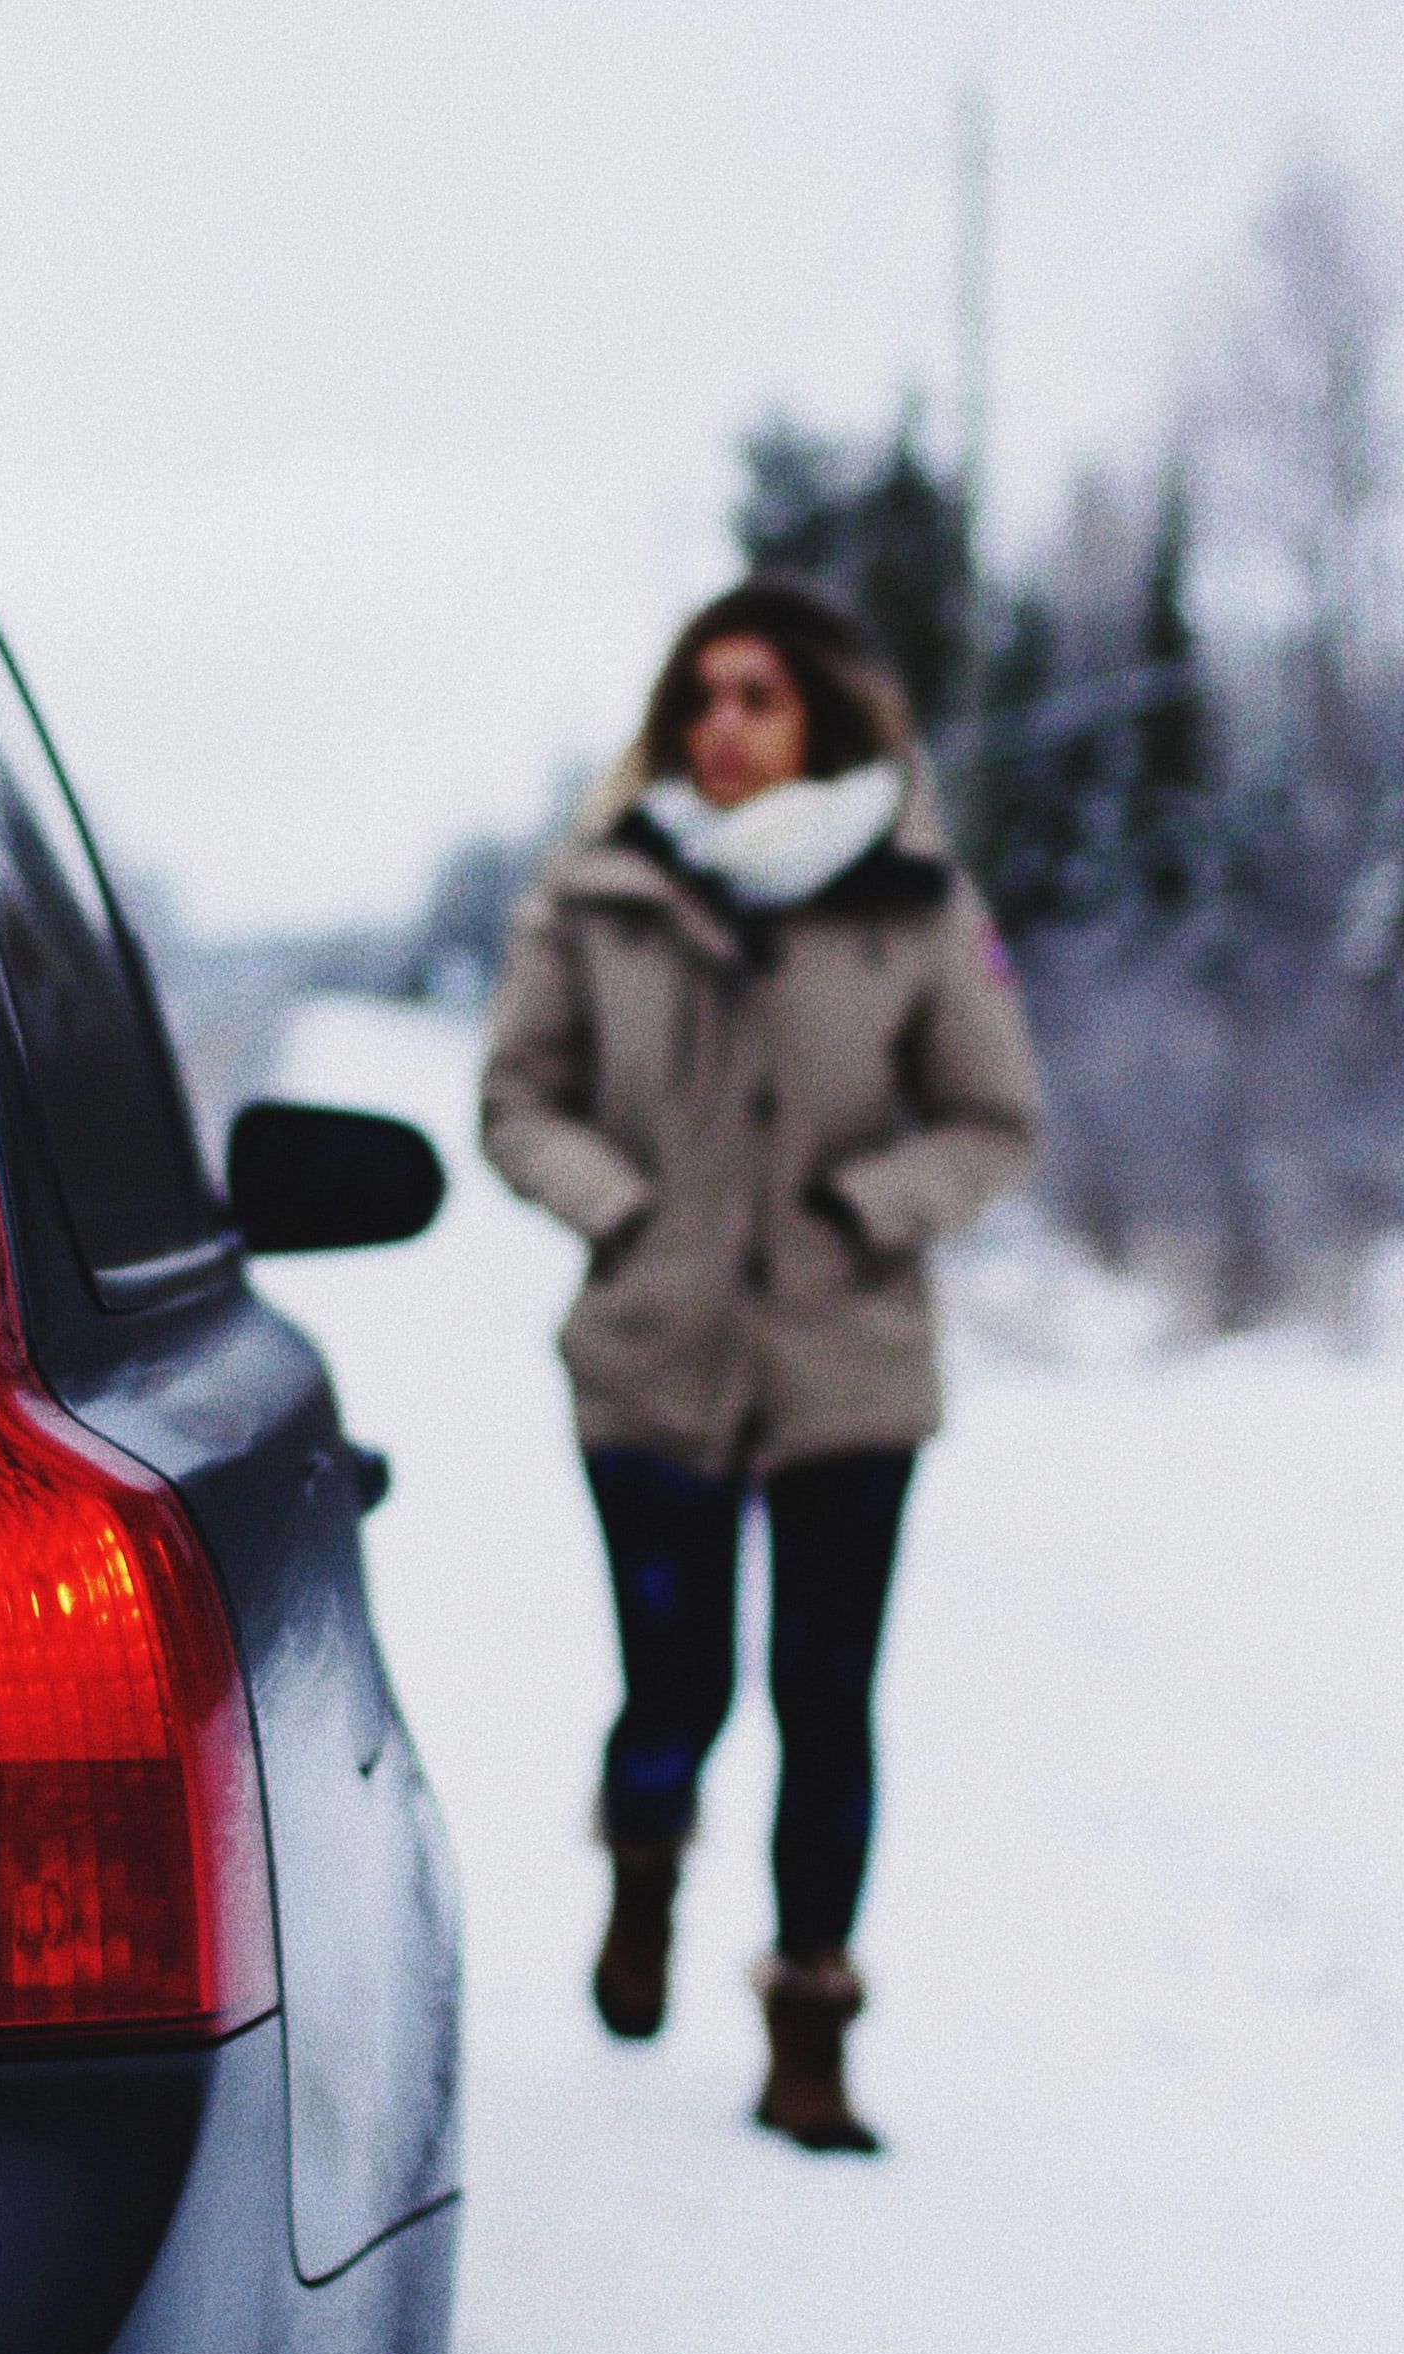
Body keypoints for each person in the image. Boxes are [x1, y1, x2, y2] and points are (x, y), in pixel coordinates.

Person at [479, 575, 1043, 2153]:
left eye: (761, 698)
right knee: (679, 1686)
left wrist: (879, 1204)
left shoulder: (915, 903)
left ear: (823, 720)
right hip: (652, 1360)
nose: (724, 727)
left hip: (846, 1368)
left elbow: (1000, 1124)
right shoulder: (594, 891)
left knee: (823, 1697)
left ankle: (811, 2024)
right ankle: (643, 1862)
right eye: (703, 697)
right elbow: (517, 1101)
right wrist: (622, 1203)